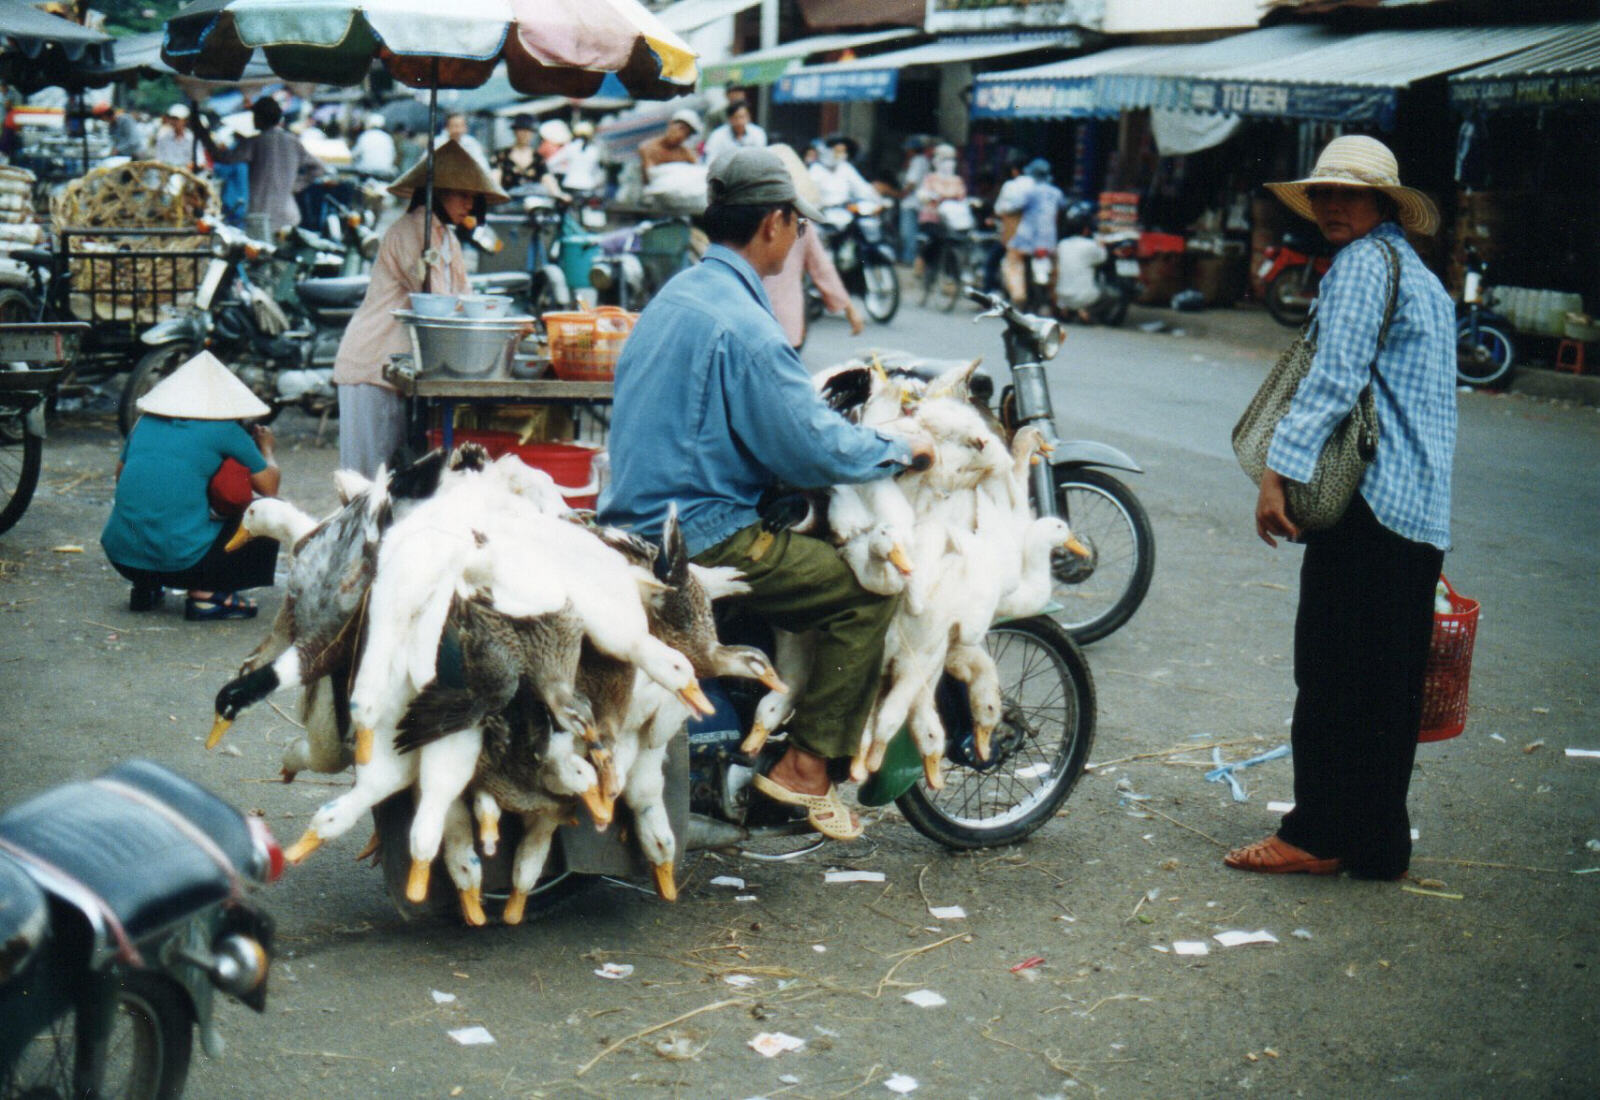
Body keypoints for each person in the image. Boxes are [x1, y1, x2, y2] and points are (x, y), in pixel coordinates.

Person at [598, 147, 933, 841]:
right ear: (776, 223)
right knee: (863, 594)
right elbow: (811, 444)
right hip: (704, 531)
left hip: (635, 517)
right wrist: (901, 447)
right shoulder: (747, 327)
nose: (798, 236)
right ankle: (806, 769)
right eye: (799, 225)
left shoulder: (678, 295)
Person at [1226, 135, 1456, 882]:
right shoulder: (1417, 274)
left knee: (1329, 675)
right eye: (1322, 193)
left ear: (1381, 203)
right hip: (1416, 514)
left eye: (1347, 194)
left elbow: (1331, 383)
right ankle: (1378, 842)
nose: (1330, 206)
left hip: (1370, 504)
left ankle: (1316, 832)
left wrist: (1277, 475)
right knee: (1385, 688)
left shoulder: (1361, 267)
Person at [331, 141, 507, 477]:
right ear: (437, 192)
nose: (469, 203)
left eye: (473, 196)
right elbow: (435, 302)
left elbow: (465, 296)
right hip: (373, 363)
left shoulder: (447, 239)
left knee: (396, 476)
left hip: (400, 369)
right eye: (461, 194)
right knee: (369, 482)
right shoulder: (411, 231)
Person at [101, 351, 282, 621]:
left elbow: (121, 477)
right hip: (183, 565)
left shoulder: (145, 422)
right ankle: (207, 597)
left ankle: (147, 587)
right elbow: (269, 488)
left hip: (123, 559)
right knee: (268, 511)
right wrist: (266, 450)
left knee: (160, 505)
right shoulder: (224, 430)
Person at [759, 144, 863, 347]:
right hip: (784, 323)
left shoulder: (749, 221)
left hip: (752, 323)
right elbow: (821, 268)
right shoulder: (801, 223)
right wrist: (849, 308)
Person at [195, 96, 325, 235]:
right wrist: (293, 186)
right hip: (288, 217)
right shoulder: (293, 141)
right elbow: (318, 168)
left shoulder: (257, 142)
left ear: (260, 117)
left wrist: (203, 134)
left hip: (262, 218)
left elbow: (222, 157)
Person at [998, 158, 1065, 308]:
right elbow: (1062, 208)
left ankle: (1018, 295)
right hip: (1049, 240)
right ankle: (1054, 300)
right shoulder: (1056, 193)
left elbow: (1011, 207)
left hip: (1026, 238)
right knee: (1055, 268)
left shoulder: (1030, 192)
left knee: (1012, 261)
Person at [1054, 200, 1108, 321]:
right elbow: (1102, 258)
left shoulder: (1062, 244)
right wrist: (1101, 245)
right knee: (1111, 293)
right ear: (1086, 229)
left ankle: (1069, 310)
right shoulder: (1091, 245)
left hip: (1061, 295)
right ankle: (1086, 312)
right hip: (1083, 297)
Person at [809, 133, 877, 213]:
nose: (840, 155)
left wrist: (876, 202)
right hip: (822, 216)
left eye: (843, 151)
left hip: (845, 214)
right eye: (837, 151)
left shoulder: (845, 168)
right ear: (826, 150)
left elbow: (863, 189)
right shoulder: (815, 170)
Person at [492, 114, 559, 194]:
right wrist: (496, 193)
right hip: (509, 200)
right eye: (521, 130)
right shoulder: (501, 155)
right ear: (515, 131)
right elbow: (495, 177)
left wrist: (558, 193)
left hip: (533, 198)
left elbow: (547, 177)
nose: (525, 134)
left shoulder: (537, 158)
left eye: (528, 131)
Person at [895, 135, 933, 264]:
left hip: (912, 202)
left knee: (908, 232)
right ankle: (910, 257)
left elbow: (912, 182)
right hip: (917, 202)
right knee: (912, 232)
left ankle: (908, 258)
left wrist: (902, 194)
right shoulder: (922, 161)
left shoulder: (918, 161)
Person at [638, 109, 701, 183]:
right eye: (681, 128)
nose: (681, 135)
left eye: (687, 134)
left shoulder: (687, 154)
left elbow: (697, 174)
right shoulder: (647, 148)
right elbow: (650, 177)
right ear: (670, 124)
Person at [547, 119, 602, 195]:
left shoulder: (570, 147)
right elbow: (596, 170)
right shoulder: (594, 150)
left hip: (570, 184)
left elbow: (551, 162)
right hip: (588, 185)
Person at [703, 100, 766, 164]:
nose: (739, 121)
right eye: (735, 118)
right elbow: (711, 158)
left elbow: (760, 157)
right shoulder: (717, 135)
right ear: (729, 119)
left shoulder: (758, 133)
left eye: (742, 117)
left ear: (749, 117)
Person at [350, 112, 397, 178]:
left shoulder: (365, 136)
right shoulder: (387, 137)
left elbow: (355, 154)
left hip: (366, 170)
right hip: (385, 171)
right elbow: (393, 155)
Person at [152, 103, 195, 169]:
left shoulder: (192, 139)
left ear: (185, 120)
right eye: (172, 119)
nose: (174, 122)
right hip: (166, 174)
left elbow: (199, 160)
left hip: (186, 175)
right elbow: (159, 158)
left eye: (177, 119)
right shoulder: (163, 138)